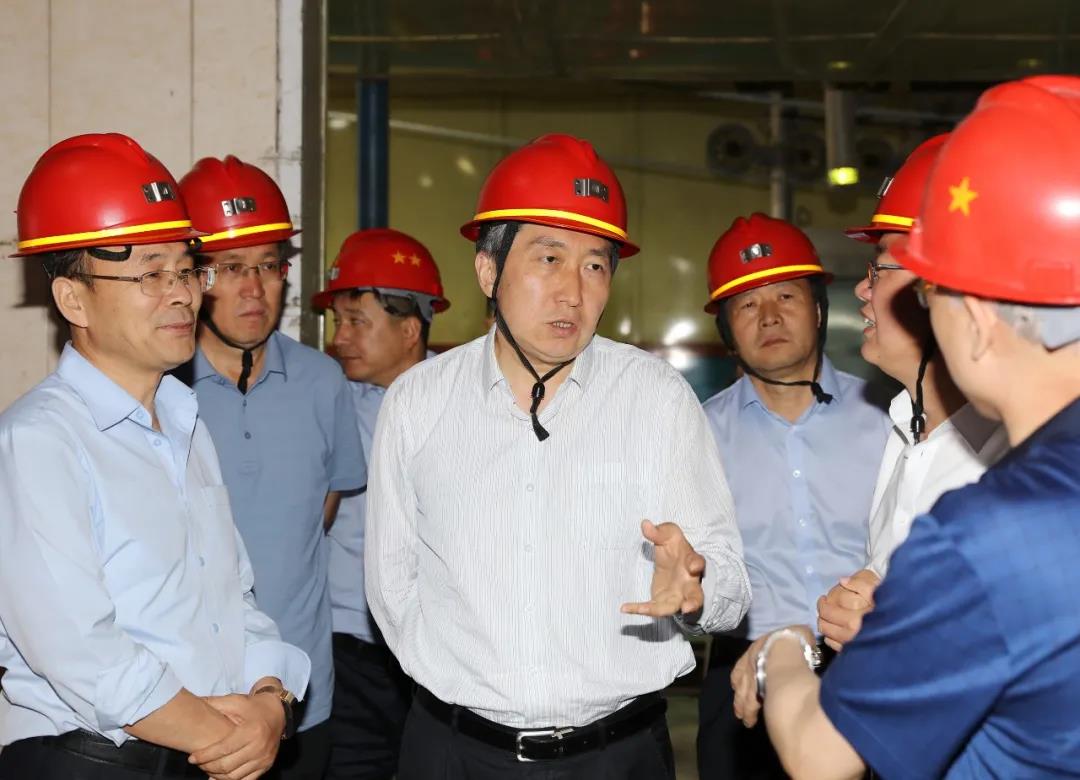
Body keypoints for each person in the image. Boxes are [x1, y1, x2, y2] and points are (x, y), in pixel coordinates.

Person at [365, 133, 750, 779]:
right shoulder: (418, 402)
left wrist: (697, 588)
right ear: (488, 272)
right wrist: (464, 693)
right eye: (549, 258)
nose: (573, 291)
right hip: (453, 754)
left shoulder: (655, 399)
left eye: (595, 266)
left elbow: (730, 585)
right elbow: (392, 583)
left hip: (617, 756)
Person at [731, 75, 1080, 778]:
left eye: (926, 286)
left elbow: (819, 756)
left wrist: (782, 649)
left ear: (977, 319)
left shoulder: (987, 532)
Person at [0, 133, 309, 779]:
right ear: (73, 299)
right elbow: (79, 650)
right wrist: (229, 739)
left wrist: (270, 701)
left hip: (203, 755)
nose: (182, 294)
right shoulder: (38, 441)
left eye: (186, 269)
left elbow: (233, 599)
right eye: (149, 273)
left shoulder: (183, 421)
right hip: (92, 763)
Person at [178, 155, 366, 779]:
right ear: (191, 274)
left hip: (301, 700)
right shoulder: (158, 390)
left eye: (268, 265)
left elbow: (318, 518)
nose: (255, 289)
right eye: (231, 268)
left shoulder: (323, 381)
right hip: (190, 705)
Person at [695, 213, 890, 779]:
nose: (770, 316)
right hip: (745, 680)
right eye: (747, 304)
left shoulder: (889, 418)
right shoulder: (697, 435)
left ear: (819, 309)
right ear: (726, 330)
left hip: (871, 661)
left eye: (786, 296)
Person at [817, 135, 1009, 651]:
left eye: (880, 268)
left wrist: (896, 632)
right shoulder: (905, 431)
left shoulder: (1014, 456)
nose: (862, 290)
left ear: (940, 288)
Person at [312, 228, 449, 780]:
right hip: (350, 647)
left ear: (410, 328)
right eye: (336, 321)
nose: (339, 337)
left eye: (356, 322)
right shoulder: (328, 401)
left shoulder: (467, 404)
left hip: (442, 650)